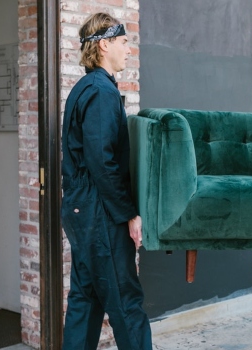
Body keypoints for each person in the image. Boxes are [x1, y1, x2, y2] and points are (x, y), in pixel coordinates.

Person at [60, 12, 152, 350]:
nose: (129, 49)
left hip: (83, 209)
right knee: (126, 304)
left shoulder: (86, 88)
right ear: (104, 45)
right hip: (100, 212)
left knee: (85, 302)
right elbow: (103, 162)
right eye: (124, 42)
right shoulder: (100, 91)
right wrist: (128, 213)